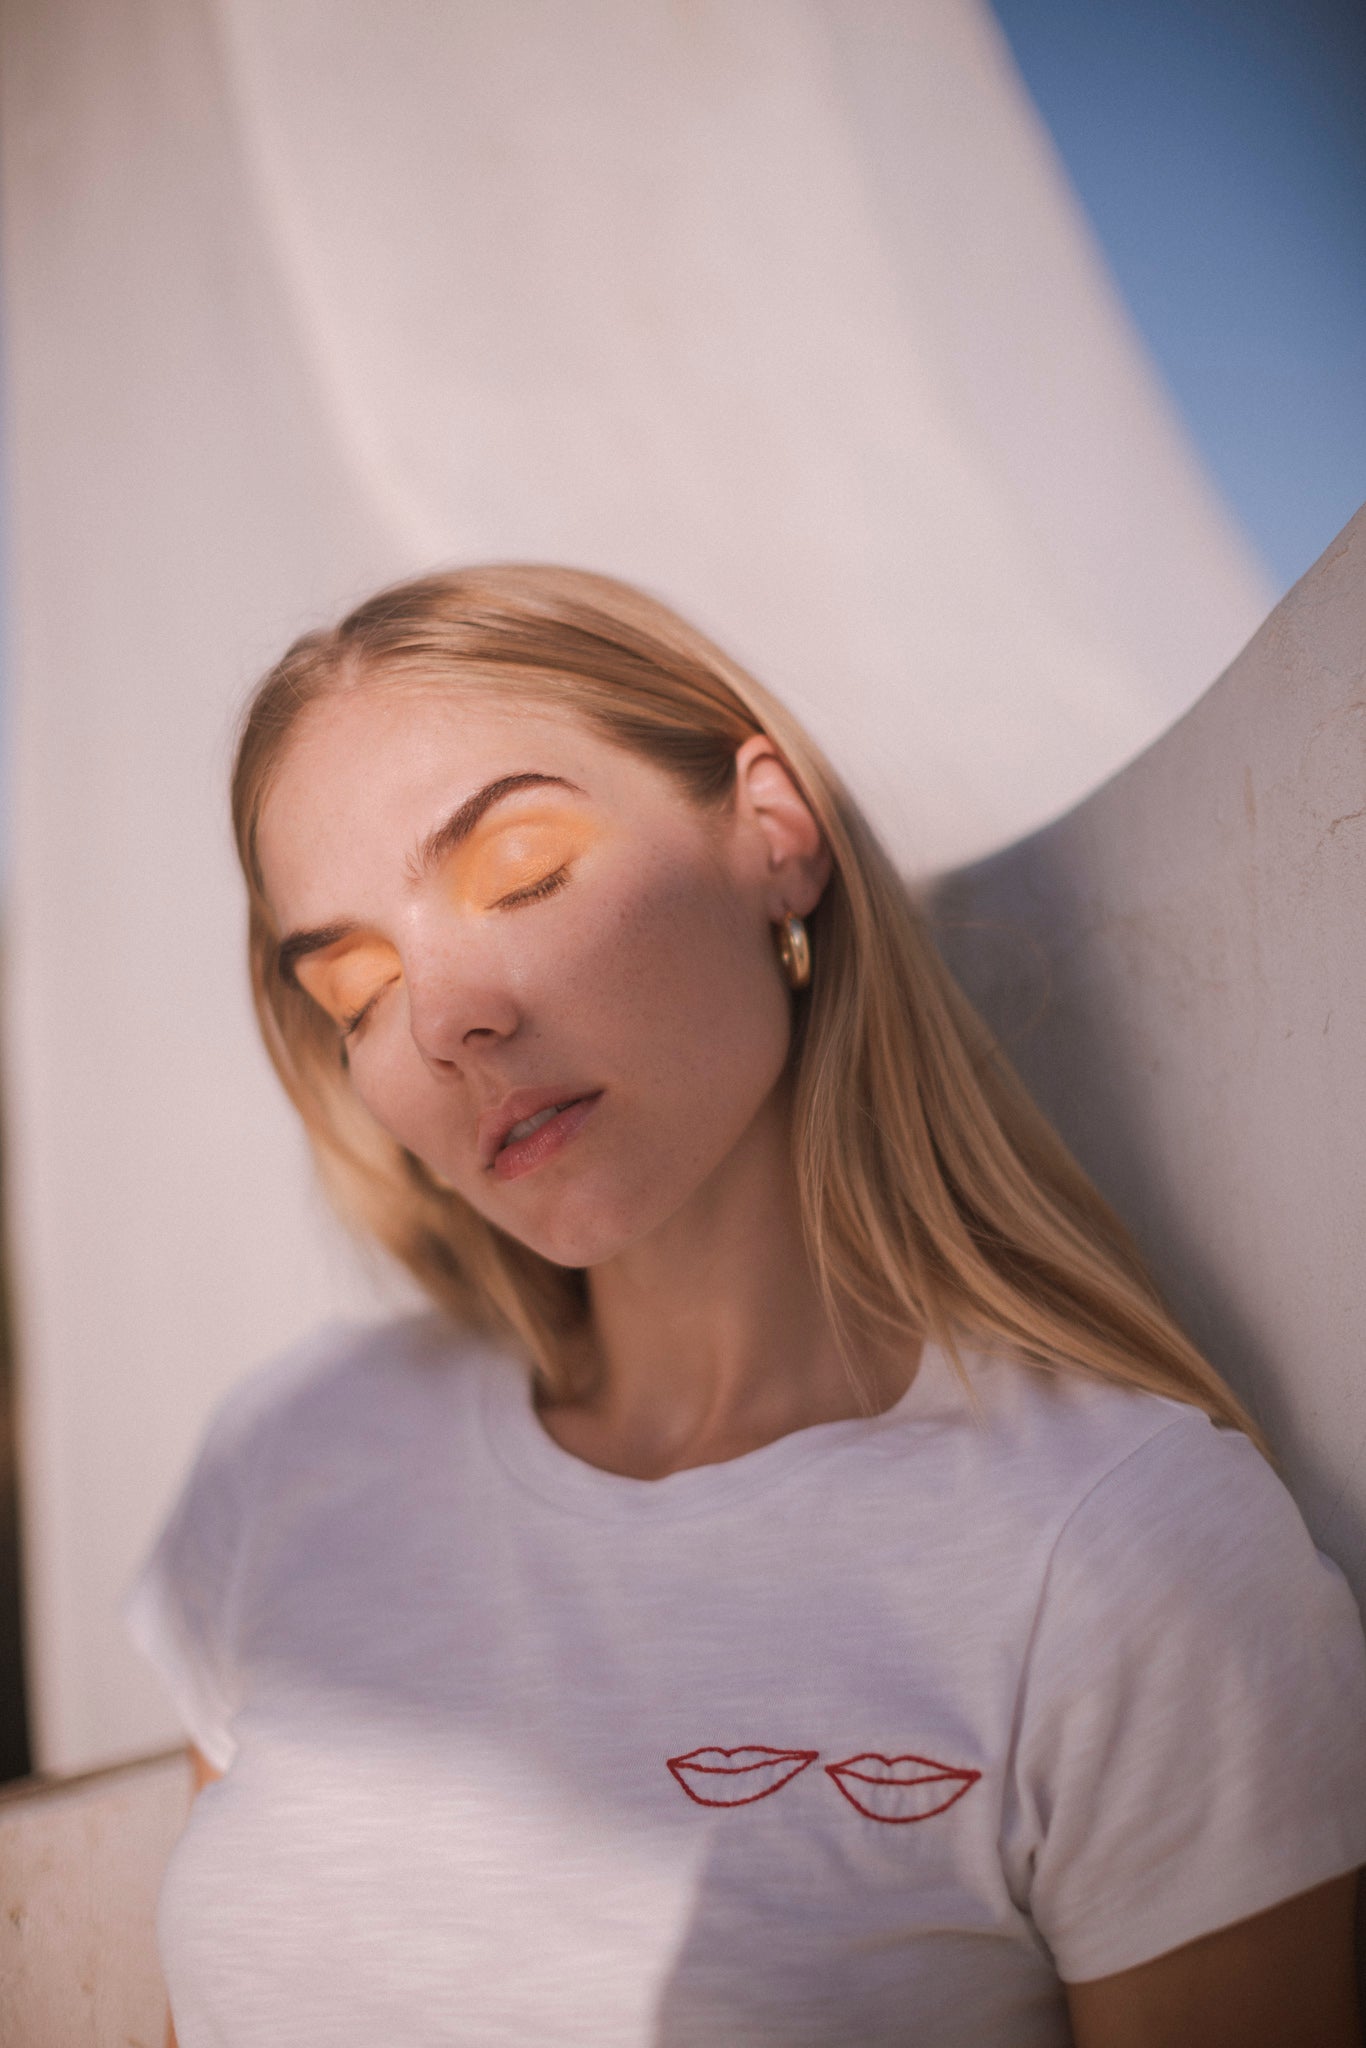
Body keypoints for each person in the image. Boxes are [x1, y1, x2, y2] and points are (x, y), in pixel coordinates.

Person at [125, 564, 1366, 2048]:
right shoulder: (294, 1458)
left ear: (771, 832)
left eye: (520, 871)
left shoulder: (1121, 1553)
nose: (447, 1019)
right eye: (358, 991)